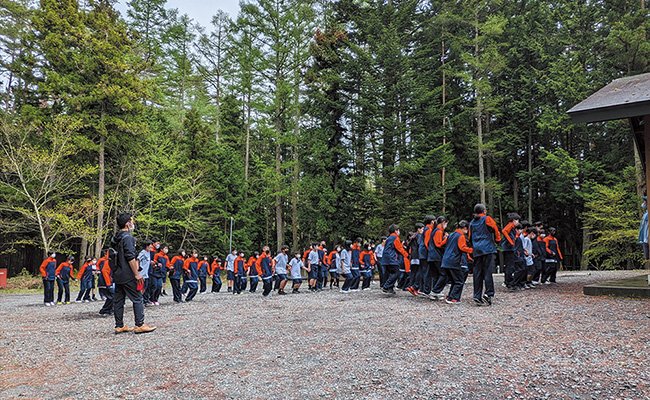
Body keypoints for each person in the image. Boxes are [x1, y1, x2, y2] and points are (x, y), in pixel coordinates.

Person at [111, 212, 156, 334]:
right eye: (131, 220)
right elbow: (130, 257)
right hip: (127, 273)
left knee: (119, 300)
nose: (133, 223)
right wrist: (136, 273)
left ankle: (119, 325)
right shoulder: (128, 238)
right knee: (137, 298)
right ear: (127, 223)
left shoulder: (115, 238)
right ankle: (140, 324)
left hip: (117, 273)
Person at [468, 203, 501, 306]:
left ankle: (477, 295)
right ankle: (488, 293)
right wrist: (498, 240)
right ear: (484, 211)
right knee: (487, 272)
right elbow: (495, 229)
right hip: (487, 249)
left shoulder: (472, 223)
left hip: (477, 250)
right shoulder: (487, 219)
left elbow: (469, 237)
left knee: (477, 273)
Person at [441, 220, 473, 304]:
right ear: (465, 228)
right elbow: (462, 247)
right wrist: (472, 250)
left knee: (454, 280)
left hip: (445, 260)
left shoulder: (451, 235)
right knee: (459, 281)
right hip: (453, 261)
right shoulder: (460, 236)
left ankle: (450, 296)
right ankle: (453, 298)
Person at [381, 224, 410, 295]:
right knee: (396, 273)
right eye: (398, 230)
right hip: (391, 258)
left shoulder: (389, 238)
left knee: (390, 273)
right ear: (396, 231)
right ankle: (386, 286)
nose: (399, 232)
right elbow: (399, 248)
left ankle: (390, 289)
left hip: (385, 258)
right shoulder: (395, 237)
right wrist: (406, 255)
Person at [430, 216, 449, 300]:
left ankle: (435, 292)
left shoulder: (435, 230)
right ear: (443, 222)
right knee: (444, 274)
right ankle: (435, 291)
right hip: (436, 256)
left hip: (431, 256)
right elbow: (438, 244)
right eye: (446, 223)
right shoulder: (438, 231)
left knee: (436, 275)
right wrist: (446, 239)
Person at [501, 212, 521, 290]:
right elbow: (504, 231)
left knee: (510, 266)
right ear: (513, 220)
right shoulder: (510, 225)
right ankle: (509, 282)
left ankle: (508, 282)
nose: (518, 222)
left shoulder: (512, 226)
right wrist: (511, 242)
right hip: (508, 248)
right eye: (517, 220)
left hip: (509, 248)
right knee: (510, 266)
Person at [406, 223, 425, 296]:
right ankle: (415, 287)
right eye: (422, 229)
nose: (423, 230)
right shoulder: (419, 236)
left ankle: (411, 286)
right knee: (419, 271)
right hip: (418, 255)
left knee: (413, 272)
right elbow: (420, 245)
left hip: (413, 256)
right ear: (418, 229)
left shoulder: (413, 236)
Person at [97, 249, 114, 316]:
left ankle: (109, 310)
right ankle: (104, 310)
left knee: (112, 296)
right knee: (111, 296)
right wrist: (108, 284)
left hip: (108, 282)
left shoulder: (110, 261)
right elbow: (105, 272)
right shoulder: (107, 261)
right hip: (105, 282)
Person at [137, 240, 153, 306]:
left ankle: (142, 301)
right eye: (150, 245)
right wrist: (138, 269)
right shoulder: (142, 252)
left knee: (145, 288)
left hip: (146, 274)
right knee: (140, 288)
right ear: (146, 246)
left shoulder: (148, 253)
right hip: (141, 274)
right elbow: (137, 260)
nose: (151, 246)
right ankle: (139, 302)